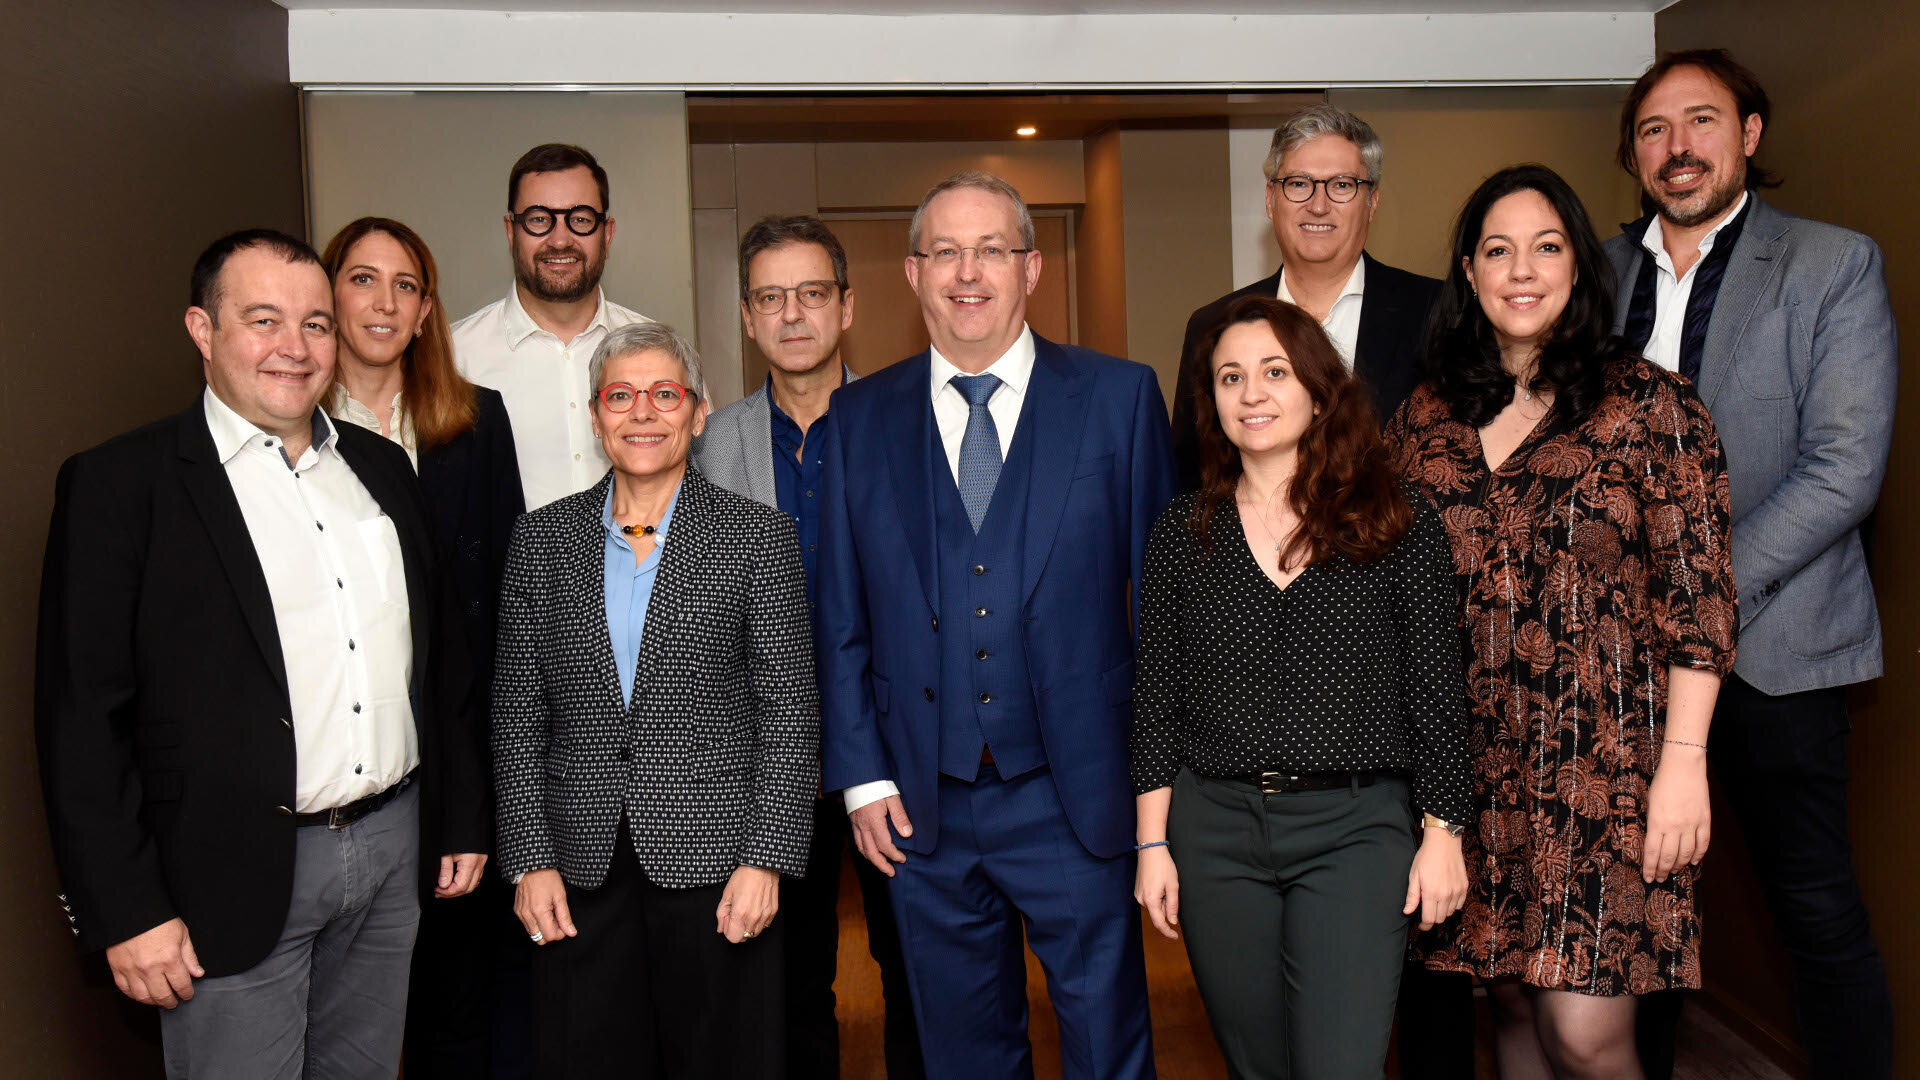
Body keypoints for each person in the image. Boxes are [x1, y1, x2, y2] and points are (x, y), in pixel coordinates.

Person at [35, 229, 487, 1079]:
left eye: (316, 324)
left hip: (393, 854)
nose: (295, 347)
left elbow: (441, 666)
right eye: (264, 319)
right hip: (226, 877)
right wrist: (125, 909)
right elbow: (80, 719)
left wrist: (460, 814)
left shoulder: (384, 471)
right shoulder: (121, 486)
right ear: (202, 331)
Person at [817, 171, 1177, 1080]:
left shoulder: (1117, 399)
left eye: (990, 249)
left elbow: (1165, 612)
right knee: (964, 1055)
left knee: (1107, 1046)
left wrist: (1155, 800)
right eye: (944, 250)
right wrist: (861, 779)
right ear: (911, 272)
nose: (966, 272)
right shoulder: (857, 418)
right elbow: (841, 612)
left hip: (1076, 793)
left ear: (1032, 268)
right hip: (920, 808)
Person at [1387, 164, 1736, 1080]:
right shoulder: (1424, 419)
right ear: (1468, 271)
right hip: (1468, 779)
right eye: (1498, 251)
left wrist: (1685, 770)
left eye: (1546, 247)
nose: (1522, 270)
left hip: (1607, 777)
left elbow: (1699, 603)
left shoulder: (1654, 406)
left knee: (1584, 1031)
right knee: (1507, 1003)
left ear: (1578, 266)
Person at [1606, 50, 1898, 1080]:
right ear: (1635, 153)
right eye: (1653, 128)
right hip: (1619, 665)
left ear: (1750, 135)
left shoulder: (1832, 264)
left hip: (1777, 652)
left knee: (1815, 911)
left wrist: (1695, 592)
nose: (1677, 147)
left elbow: (1843, 471)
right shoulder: (1590, 273)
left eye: (1701, 121)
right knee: (1628, 930)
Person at [1131, 295, 1471, 1079]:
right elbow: (1157, 703)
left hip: (1355, 831)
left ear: (1320, 389)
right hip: (1215, 836)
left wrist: (1444, 833)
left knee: (1340, 1067)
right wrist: (1154, 845)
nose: (1251, 393)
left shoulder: (1397, 518)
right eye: (1230, 377)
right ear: (1211, 403)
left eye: (1274, 372)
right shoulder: (1184, 532)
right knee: (1258, 1068)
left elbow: (1436, 693)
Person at [492, 321, 820, 1078]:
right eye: (621, 395)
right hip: (577, 867)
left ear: (698, 412)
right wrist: (529, 858)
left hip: (720, 865)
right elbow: (515, 713)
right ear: (596, 413)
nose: (643, 412)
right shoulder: (540, 541)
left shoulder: (757, 537)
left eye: (664, 394)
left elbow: (790, 713)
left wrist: (767, 859)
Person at [690, 214, 924, 1080]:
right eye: (770, 298)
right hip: (759, 762)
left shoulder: (910, 428)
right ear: (747, 316)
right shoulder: (708, 448)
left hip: (897, 749)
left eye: (812, 294)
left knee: (919, 976)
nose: (793, 315)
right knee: (786, 989)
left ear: (848, 306)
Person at [319, 216, 530, 1078]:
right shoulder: (291, 421)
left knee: (458, 995)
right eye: (363, 278)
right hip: (339, 750)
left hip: (457, 748)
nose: (383, 300)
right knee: (345, 1014)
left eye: (405, 284)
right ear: (327, 295)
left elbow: (510, 597)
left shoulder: (475, 422)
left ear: (426, 309)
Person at [1171, 105, 1441, 489]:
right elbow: (1192, 474)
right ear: (1270, 199)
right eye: (1299, 183)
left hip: (1397, 542)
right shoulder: (1215, 324)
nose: (1318, 204)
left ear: (1372, 202)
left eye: (1342, 185)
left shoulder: (1435, 311)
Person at [453, 142, 652, 510]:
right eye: (539, 219)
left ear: (606, 234)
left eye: (580, 219)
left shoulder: (660, 355)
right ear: (511, 232)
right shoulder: (454, 359)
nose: (560, 240)